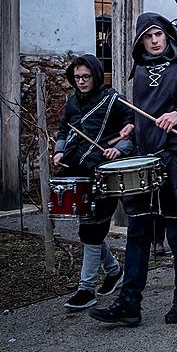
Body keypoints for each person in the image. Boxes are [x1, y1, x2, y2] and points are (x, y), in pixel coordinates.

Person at [90, 12, 177, 326]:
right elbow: (142, 115)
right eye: (148, 36)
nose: (154, 41)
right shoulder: (138, 71)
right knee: (137, 233)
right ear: (140, 40)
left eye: (158, 35)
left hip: (174, 162)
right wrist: (130, 129)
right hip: (144, 161)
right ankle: (129, 304)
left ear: (167, 36)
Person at [54, 55, 134, 310]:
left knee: (93, 228)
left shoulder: (113, 100)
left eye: (86, 77)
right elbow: (64, 129)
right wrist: (58, 150)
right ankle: (113, 270)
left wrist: (119, 148)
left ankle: (86, 288)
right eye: (77, 77)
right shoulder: (72, 102)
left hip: (104, 172)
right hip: (77, 169)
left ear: (96, 76)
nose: (81, 82)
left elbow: (132, 126)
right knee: (90, 228)